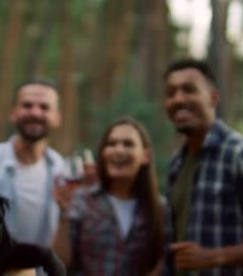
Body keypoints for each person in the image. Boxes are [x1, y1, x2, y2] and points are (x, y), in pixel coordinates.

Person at [162, 59, 243, 275]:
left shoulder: (242, 155)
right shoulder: (176, 164)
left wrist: (215, 257)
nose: (178, 99)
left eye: (189, 90)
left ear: (213, 97)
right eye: (171, 93)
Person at [0, 79, 92, 247]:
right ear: (13, 113)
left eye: (44, 107)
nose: (35, 113)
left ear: (57, 118)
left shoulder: (63, 172)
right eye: (27, 105)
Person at [52, 117, 164, 275]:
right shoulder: (82, 200)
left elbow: (164, 262)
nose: (118, 150)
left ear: (146, 155)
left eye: (128, 144)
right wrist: (63, 213)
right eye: (111, 144)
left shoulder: (160, 208)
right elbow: (60, 263)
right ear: (103, 153)